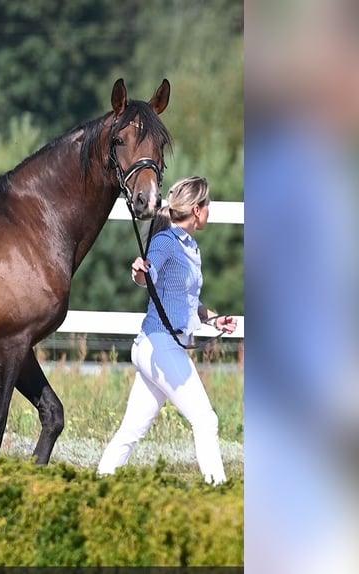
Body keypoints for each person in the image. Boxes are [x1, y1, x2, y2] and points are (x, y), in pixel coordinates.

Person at [97, 176, 237, 485]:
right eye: (208, 205)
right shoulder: (165, 242)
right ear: (197, 210)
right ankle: (219, 492)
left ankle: (100, 483)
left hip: (157, 345)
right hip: (160, 344)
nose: (209, 210)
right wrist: (140, 272)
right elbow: (149, 272)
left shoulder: (191, 247)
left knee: (132, 431)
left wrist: (214, 320)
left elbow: (190, 302)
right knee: (205, 420)